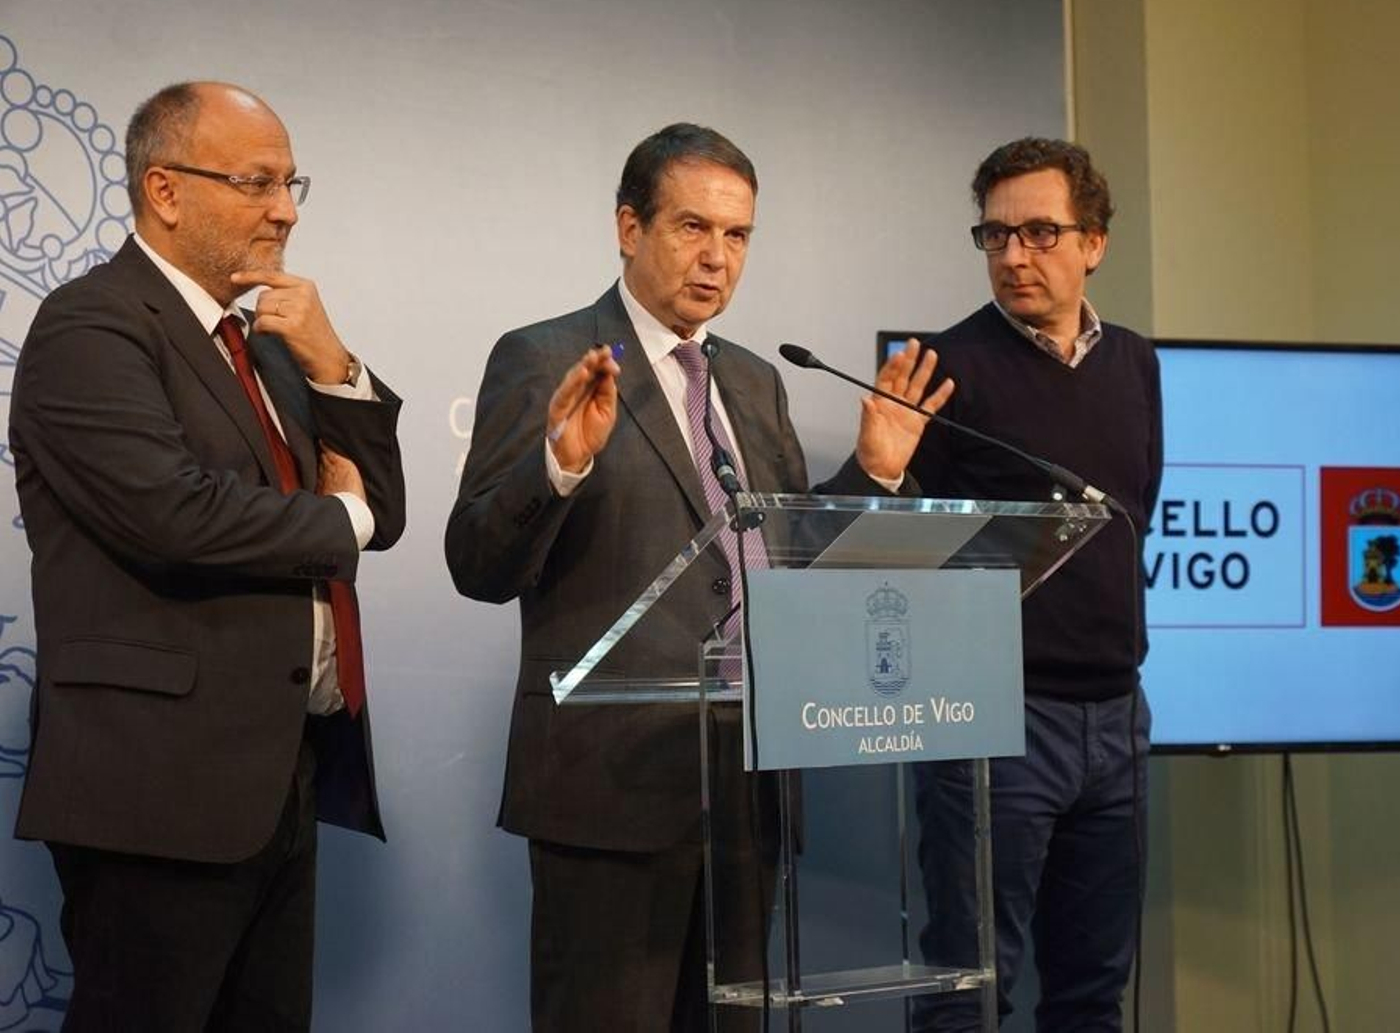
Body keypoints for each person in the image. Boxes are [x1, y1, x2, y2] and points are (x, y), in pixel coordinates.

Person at [445, 122, 951, 1032]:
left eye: (738, 234)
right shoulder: (546, 356)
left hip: (744, 794)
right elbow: (477, 562)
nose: (718, 258)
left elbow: (786, 567)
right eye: (692, 227)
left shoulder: (754, 382)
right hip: (607, 798)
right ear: (628, 227)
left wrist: (872, 477)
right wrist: (559, 465)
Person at [8, 81, 406, 1031]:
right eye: (257, 182)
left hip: (278, 776)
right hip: (154, 791)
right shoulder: (90, 324)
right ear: (166, 191)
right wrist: (340, 515)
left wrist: (334, 366)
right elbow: (175, 514)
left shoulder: (267, 344)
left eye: (291, 183)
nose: (287, 210)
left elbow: (381, 512)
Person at [908, 138, 1162, 1031]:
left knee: (1093, 994)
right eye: (996, 234)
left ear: (1094, 242)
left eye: (1040, 232)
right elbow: (902, 554)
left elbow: (1135, 511)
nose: (1014, 255)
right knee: (969, 995)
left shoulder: (1135, 362)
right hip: (994, 720)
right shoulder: (943, 367)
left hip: (1117, 719)